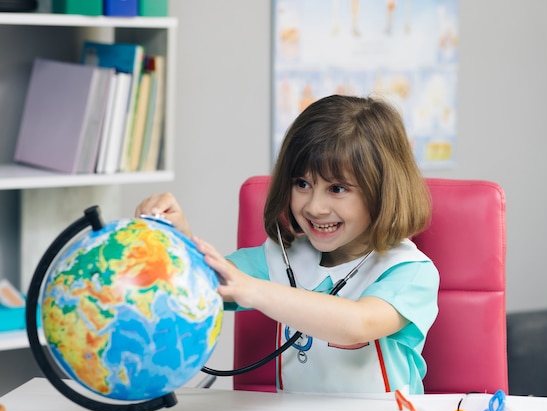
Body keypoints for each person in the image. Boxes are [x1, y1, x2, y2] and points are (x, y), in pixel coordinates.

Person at [135, 94, 439, 394]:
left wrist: (252, 289)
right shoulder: (281, 258)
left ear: (382, 191)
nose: (315, 207)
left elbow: (358, 324)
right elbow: (201, 283)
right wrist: (177, 240)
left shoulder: (409, 272)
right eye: (302, 184)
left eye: (337, 188)